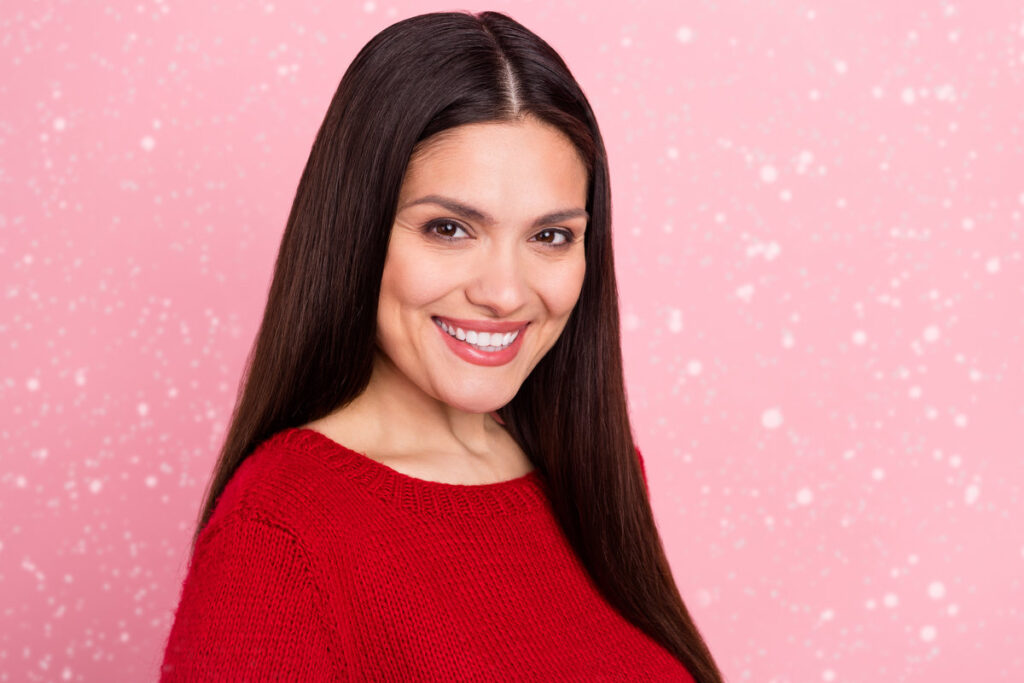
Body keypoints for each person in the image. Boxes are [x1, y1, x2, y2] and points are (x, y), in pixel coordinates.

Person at [159, 10, 722, 682]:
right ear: (358, 231)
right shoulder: (279, 538)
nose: (504, 293)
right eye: (449, 228)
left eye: (550, 236)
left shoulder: (595, 471)